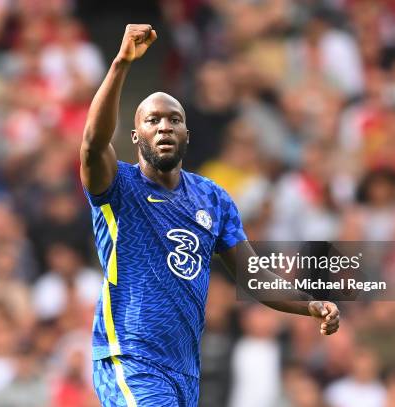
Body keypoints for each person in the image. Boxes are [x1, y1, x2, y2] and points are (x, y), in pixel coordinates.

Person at [80, 24, 340, 407]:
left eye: (173, 119)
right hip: (130, 357)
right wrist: (121, 64)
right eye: (152, 121)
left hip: (184, 371)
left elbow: (253, 277)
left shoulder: (212, 198)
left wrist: (308, 304)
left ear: (187, 133)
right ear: (135, 136)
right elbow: (91, 143)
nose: (164, 125)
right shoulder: (119, 187)